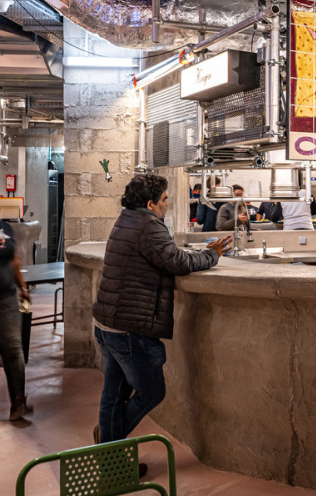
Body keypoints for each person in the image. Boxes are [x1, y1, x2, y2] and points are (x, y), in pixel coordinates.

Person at [92, 174, 232, 458]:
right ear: (151, 203)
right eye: (165, 199)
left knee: (114, 394)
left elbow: (161, 255)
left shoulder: (127, 218)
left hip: (108, 323)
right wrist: (211, 254)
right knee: (152, 392)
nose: (167, 204)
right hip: (130, 329)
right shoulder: (148, 225)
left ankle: (109, 455)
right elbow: (177, 262)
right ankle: (110, 437)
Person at [0, 222, 31, 422]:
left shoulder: (4, 228)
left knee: (14, 349)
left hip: (7, 298)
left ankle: (18, 402)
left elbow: (14, 260)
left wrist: (23, 288)